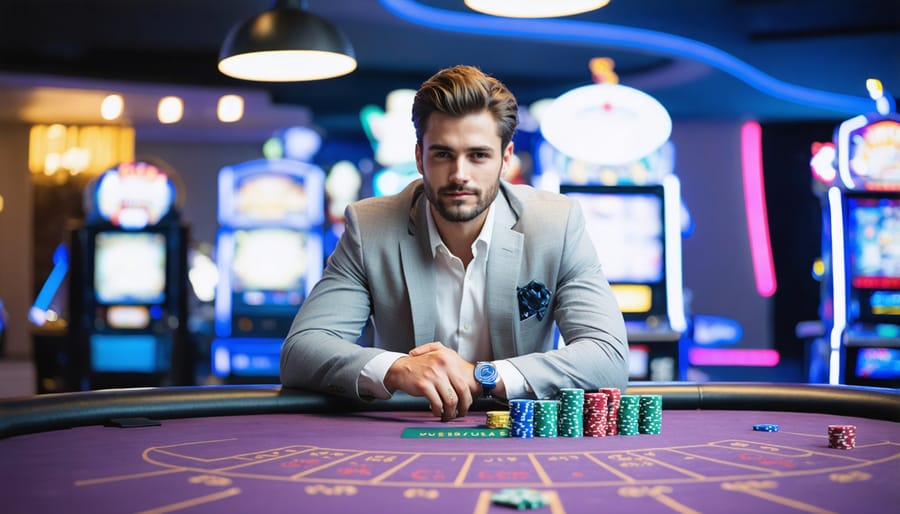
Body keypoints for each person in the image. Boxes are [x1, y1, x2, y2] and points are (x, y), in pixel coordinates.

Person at [281, 65, 628, 421]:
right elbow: (302, 350)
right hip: (401, 434)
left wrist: (482, 376)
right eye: (443, 154)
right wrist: (397, 368)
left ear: (505, 159)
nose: (460, 174)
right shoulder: (371, 227)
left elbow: (608, 358)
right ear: (419, 157)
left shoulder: (557, 223)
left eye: (478, 155)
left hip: (518, 438)